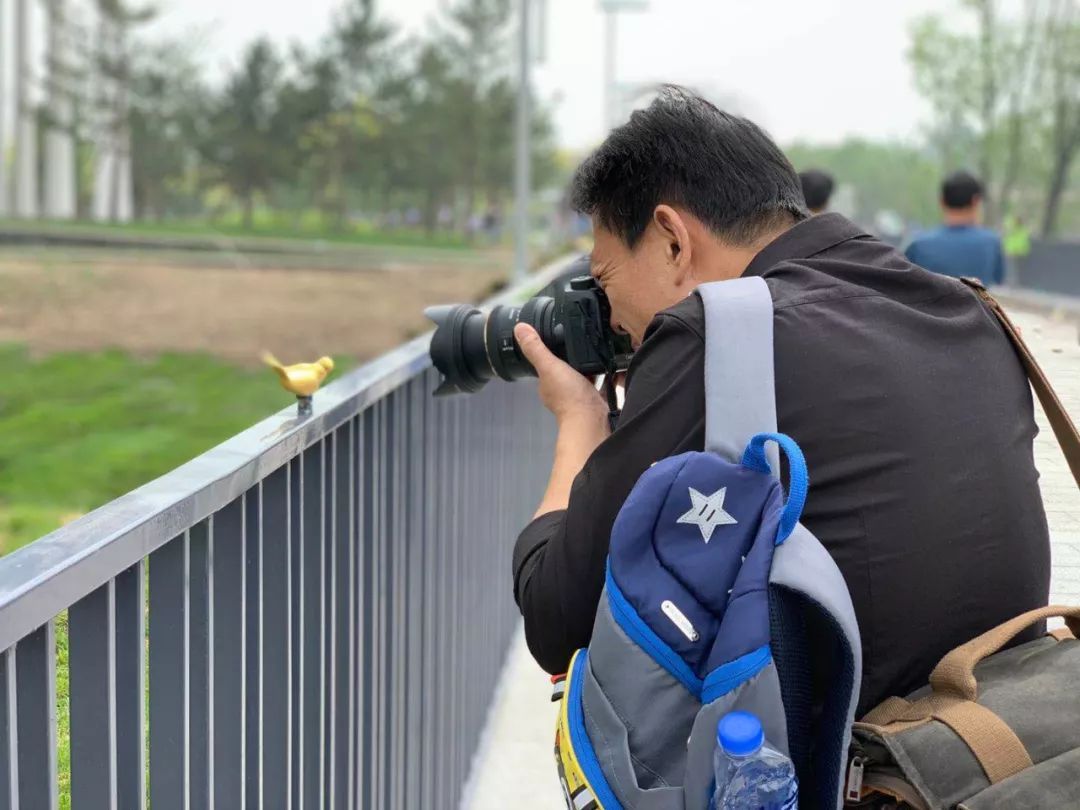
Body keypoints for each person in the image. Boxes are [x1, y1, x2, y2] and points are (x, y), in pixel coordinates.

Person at [510, 87, 1049, 717]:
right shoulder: (964, 307)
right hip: (1001, 738)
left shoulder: (711, 335)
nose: (611, 316)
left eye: (604, 279)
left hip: (865, 773)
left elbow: (555, 621)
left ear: (672, 240)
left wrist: (580, 420)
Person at [904, 171, 1005, 286]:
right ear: (976, 201)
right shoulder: (991, 243)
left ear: (942, 201)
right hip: (975, 304)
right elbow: (998, 281)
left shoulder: (918, 245)